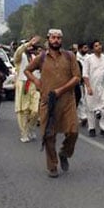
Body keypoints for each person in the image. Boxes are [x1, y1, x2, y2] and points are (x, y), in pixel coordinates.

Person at [24, 29, 81, 178]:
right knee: (49, 135)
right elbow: (27, 70)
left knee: (73, 131)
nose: (56, 40)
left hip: (67, 100)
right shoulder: (41, 57)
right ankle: (52, 165)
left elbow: (76, 78)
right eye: (53, 37)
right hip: (48, 102)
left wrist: (61, 90)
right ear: (48, 39)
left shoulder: (70, 56)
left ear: (61, 40)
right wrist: (36, 81)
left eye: (58, 38)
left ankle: (64, 153)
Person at [82, 40, 104, 138]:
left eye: (100, 45)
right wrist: (88, 87)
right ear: (92, 49)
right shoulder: (88, 59)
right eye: (96, 46)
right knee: (91, 108)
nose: (99, 47)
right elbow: (85, 74)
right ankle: (92, 128)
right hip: (91, 85)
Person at [14, 37, 41, 143]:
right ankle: (24, 133)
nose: (30, 47)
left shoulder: (35, 57)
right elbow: (18, 52)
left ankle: (31, 128)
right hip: (23, 83)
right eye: (27, 45)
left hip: (34, 84)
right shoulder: (20, 57)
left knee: (36, 109)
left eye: (31, 45)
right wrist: (28, 43)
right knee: (23, 110)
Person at [76, 42, 90, 127]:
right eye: (84, 48)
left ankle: (84, 116)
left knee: (86, 99)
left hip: (88, 80)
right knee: (81, 99)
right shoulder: (75, 57)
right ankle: (83, 116)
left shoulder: (89, 57)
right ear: (80, 48)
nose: (86, 49)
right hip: (79, 81)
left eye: (87, 48)